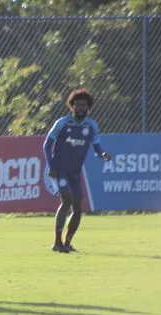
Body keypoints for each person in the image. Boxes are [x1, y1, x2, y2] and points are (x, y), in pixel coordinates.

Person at [43, 88, 111, 253]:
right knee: (66, 200)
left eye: (84, 105)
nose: (81, 108)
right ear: (71, 106)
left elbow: (96, 147)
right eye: (78, 105)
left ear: (88, 107)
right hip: (58, 169)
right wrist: (51, 165)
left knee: (78, 206)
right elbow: (46, 145)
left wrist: (102, 154)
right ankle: (57, 242)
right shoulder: (62, 123)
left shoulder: (91, 126)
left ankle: (67, 243)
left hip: (74, 172)